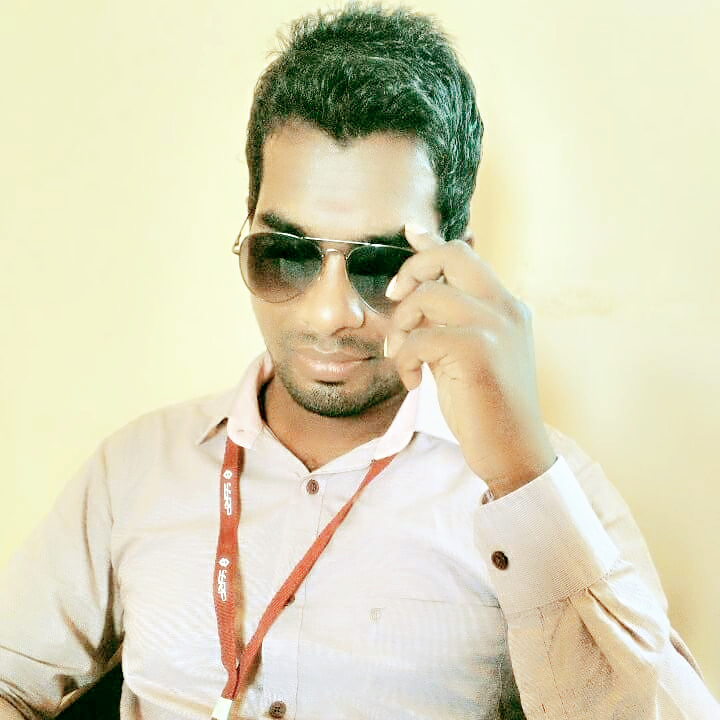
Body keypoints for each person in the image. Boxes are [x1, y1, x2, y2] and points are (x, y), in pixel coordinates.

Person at [0, 4, 717, 719]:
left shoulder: (547, 484)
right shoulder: (135, 470)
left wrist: (522, 478)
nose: (327, 313)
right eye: (286, 253)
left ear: (455, 263)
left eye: (379, 265)